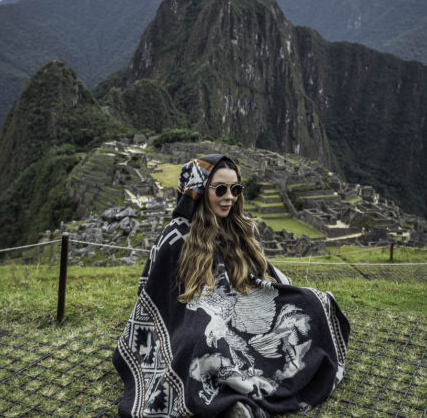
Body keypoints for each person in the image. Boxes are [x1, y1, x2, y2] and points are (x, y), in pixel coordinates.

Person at [113, 154, 349, 417]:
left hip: (242, 302)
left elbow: (260, 274)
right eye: (221, 189)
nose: (230, 197)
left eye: (236, 189)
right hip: (186, 315)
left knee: (313, 303)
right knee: (204, 341)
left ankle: (248, 390)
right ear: (202, 190)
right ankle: (225, 400)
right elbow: (156, 297)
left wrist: (283, 287)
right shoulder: (175, 237)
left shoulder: (237, 227)